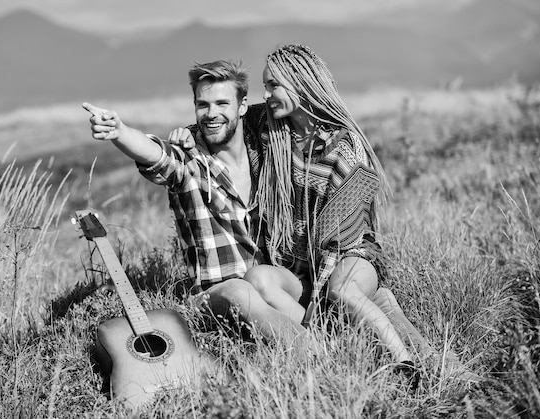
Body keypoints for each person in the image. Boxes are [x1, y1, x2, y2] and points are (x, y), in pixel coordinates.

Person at [168, 45, 435, 377]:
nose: (266, 95)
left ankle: (403, 364)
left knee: (343, 290)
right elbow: (221, 115)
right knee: (258, 278)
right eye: (264, 87)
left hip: (348, 256)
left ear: (301, 84)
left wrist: (317, 302)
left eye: (273, 86)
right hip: (302, 267)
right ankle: (327, 349)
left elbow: (340, 240)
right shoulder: (270, 129)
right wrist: (187, 135)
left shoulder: (345, 147)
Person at [83, 59, 309, 344]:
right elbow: (156, 154)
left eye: (221, 104)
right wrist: (120, 132)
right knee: (241, 291)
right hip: (218, 295)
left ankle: (327, 335)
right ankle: (312, 351)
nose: (211, 114)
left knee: (267, 279)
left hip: (273, 282)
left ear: (242, 106)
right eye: (203, 105)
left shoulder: (266, 151)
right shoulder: (190, 161)